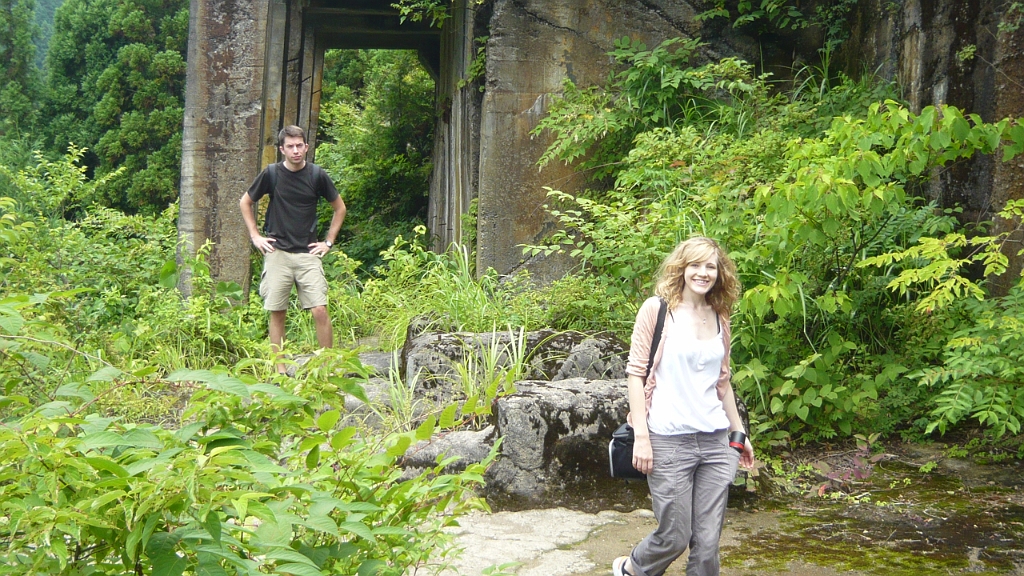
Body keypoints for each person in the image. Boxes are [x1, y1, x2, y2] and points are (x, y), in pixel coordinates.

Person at [613, 237, 755, 576]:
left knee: (707, 548)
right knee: (675, 535)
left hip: (716, 442)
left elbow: (722, 381)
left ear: (720, 273)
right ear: (682, 268)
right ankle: (633, 569)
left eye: (710, 266)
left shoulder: (720, 315)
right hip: (668, 440)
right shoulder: (657, 309)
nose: (703, 273)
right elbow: (636, 374)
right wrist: (643, 438)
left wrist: (739, 432)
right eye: (696, 265)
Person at [239, 125, 346, 373]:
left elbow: (340, 208)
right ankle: (280, 371)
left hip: (308, 253)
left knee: (319, 309)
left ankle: (326, 367)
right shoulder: (272, 174)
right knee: (277, 311)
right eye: (290, 146)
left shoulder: (317, 175)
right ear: (282, 149)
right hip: (278, 252)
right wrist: (255, 236)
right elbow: (245, 202)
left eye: (300, 145)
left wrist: (328, 242)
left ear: (307, 147)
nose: (296, 151)